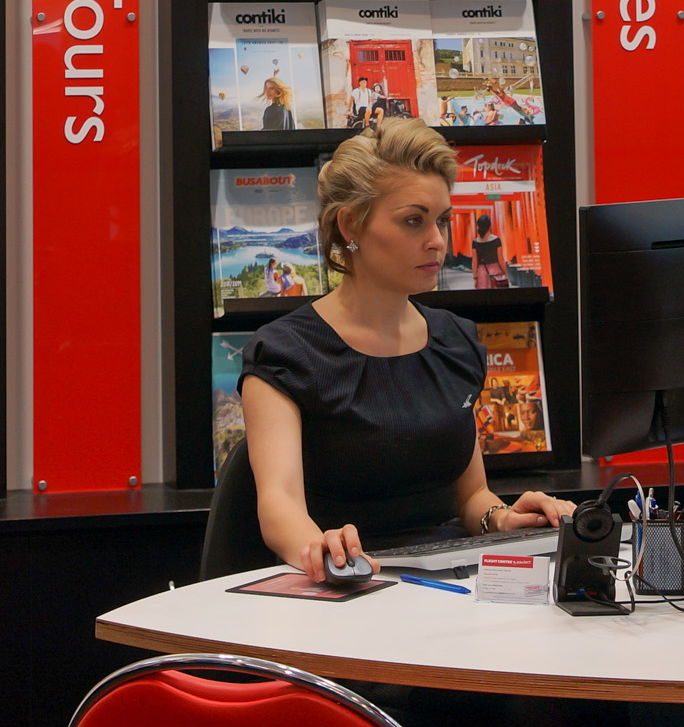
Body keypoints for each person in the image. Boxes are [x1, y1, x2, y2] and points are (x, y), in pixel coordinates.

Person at [239, 119, 575, 580]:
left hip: (454, 586)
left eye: (440, 220)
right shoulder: (284, 352)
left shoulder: (456, 340)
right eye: (413, 220)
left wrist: (503, 519)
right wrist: (320, 547)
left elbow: (472, 495)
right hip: (347, 586)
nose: (438, 240)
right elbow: (279, 506)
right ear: (351, 224)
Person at [469, 211, 507, 290]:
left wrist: (475, 277)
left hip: (482, 273)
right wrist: (505, 273)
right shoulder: (496, 240)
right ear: (490, 226)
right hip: (496, 272)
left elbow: (474, 261)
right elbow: (501, 259)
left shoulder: (475, 242)